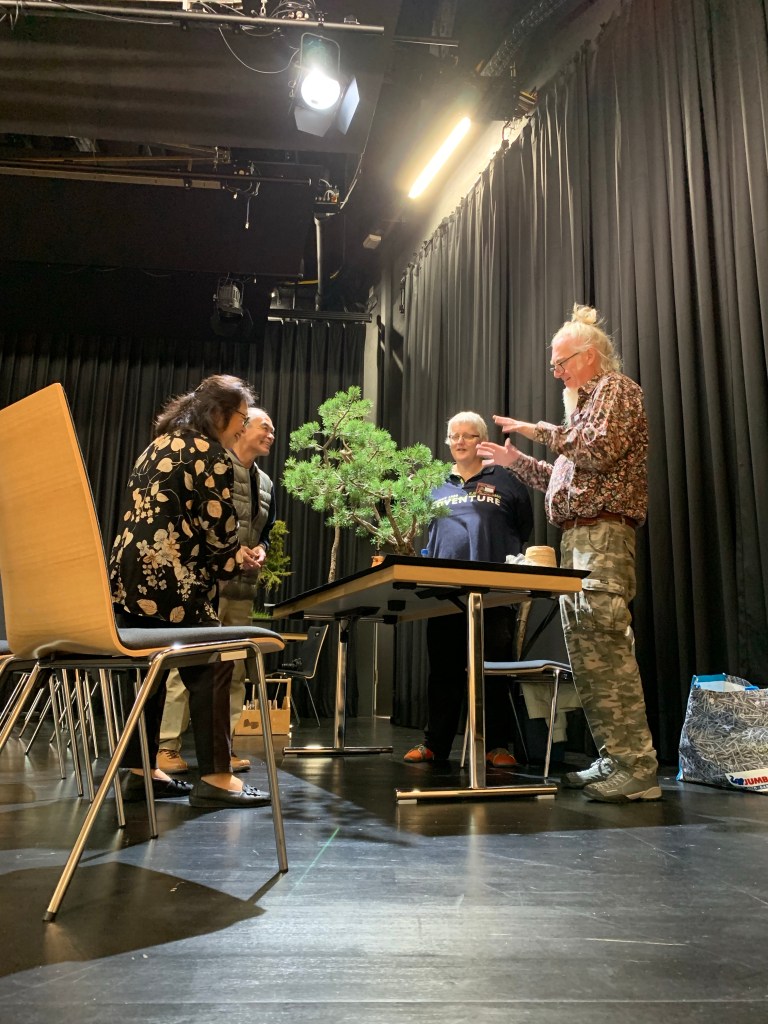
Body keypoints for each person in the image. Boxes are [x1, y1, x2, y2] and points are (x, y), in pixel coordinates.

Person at [476, 303, 661, 803]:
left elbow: (596, 451)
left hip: (603, 535)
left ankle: (638, 768)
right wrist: (517, 461)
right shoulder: (580, 411)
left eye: (561, 363)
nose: (556, 372)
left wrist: (536, 430)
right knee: (586, 655)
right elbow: (564, 480)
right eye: (554, 364)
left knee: (606, 645)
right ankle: (615, 757)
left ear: (590, 356)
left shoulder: (616, 390)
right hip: (578, 538)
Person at [109, 374, 271, 808]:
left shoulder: (157, 446)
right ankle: (217, 777)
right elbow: (219, 531)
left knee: (149, 672)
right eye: (242, 418)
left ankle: (141, 771)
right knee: (213, 663)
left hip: (131, 577)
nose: (242, 427)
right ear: (219, 413)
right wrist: (237, 559)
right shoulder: (210, 453)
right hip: (172, 578)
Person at [404, 411, 533, 766]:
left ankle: (497, 746)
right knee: (443, 671)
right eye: (454, 436)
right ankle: (435, 744)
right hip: (444, 594)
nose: (460, 441)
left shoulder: (506, 479)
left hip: (495, 593)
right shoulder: (433, 483)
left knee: (494, 671)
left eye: (469, 435)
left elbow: (524, 528)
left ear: (482, 440)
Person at [156, 407, 277, 776]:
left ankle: (225, 748)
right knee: (186, 664)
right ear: (241, 429)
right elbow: (197, 521)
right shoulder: (213, 465)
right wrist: (231, 553)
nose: (271, 435)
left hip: (242, 588)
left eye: (273, 430)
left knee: (235, 668)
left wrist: (261, 550)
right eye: (264, 427)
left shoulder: (266, 482)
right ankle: (166, 746)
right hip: (207, 585)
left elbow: (265, 530)